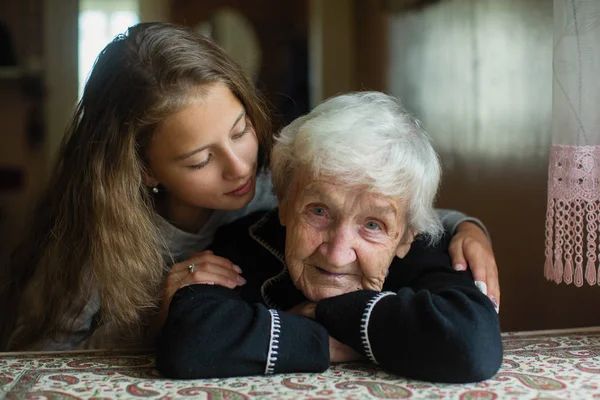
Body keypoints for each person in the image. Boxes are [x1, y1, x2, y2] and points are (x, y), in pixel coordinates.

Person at [0, 23, 497, 352]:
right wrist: (158, 326)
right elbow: (40, 367)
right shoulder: (94, 246)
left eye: (240, 131)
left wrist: (465, 226)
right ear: (143, 170)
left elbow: (378, 207)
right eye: (201, 159)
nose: (240, 167)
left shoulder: (268, 192)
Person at [156, 92, 502, 383]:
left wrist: (324, 313)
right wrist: (326, 340)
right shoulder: (247, 243)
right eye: (319, 212)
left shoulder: (430, 251)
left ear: (406, 237)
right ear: (285, 203)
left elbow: (472, 347)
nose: (337, 255)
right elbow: (187, 342)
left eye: (372, 226)